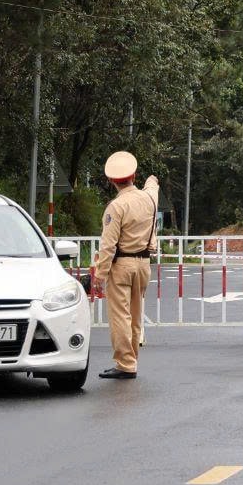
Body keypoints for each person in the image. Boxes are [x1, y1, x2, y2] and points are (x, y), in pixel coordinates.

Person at [96, 150, 159, 380]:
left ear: (112, 180)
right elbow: (153, 187)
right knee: (135, 314)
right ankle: (132, 360)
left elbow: (108, 245)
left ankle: (125, 363)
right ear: (134, 175)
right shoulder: (149, 199)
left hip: (122, 265)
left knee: (120, 316)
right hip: (144, 264)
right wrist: (152, 180)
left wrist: (100, 274)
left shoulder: (116, 206)